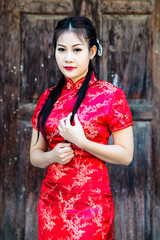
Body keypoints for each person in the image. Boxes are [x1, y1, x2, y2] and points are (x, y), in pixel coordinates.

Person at [30, 16, 134, 240]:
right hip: (52, 203)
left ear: (92, 51)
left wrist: (83, 142)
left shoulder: (110, 96)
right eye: (61, 49)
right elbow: (35, 156)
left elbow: (126, 155)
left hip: (91, 205)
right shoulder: (47, 98)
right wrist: (52, 156)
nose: (68, 58)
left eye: (77, 50)